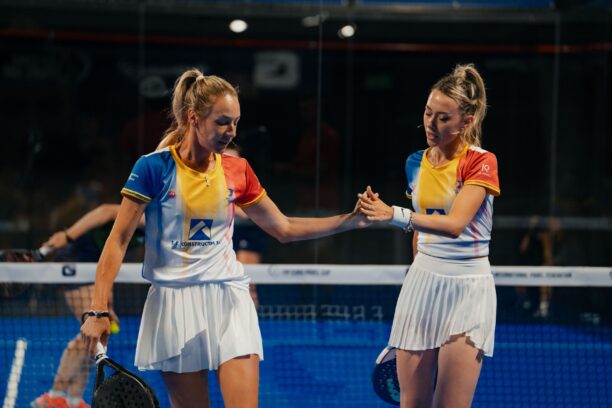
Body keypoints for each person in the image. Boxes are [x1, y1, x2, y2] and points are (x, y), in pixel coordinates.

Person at [79, 69, 368, 408]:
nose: (231, 132)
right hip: (174, 303)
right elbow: (118, 240)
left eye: (235, 123)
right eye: (222, 122)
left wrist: (351, 220)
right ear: (193, 118)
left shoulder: (237, 169)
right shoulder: (153, 168)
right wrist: (97, 308)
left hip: (229, 297)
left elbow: (284, 228)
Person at [359, 64, 500, 408]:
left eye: (443, 118)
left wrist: (393, 214)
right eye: (428, 113)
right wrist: (416, 277)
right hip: (422, 282)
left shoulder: (481, 162)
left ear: (466, 122)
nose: (431, 123)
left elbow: (455, 224)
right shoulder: (415, 162)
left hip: (468, 288)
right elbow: (420, 231)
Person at [31, 204, 144, 408]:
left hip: (96, 268)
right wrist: (68, 236)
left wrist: (107, 302)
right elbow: (106, 211)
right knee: (90, 333)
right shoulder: (148, 215)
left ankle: (73, 399)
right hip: (77, 263)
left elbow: (112, 256)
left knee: (95, 338)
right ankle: (55, 395)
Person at [224, 145, 267, 308]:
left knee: (246, 284)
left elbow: (254, 212)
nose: (229, 164)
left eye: (234, 160)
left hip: (247, 233)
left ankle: (251, 321)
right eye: (224, 159)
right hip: (219, 235)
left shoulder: (247, 183)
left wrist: (230, 207)